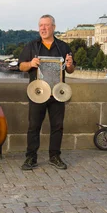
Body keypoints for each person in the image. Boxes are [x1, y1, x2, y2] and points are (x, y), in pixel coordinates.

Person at [19, 15, 75, 170]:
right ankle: (31, 158)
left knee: (57, 126)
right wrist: (30, 63)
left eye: (46, 25)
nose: (43, 28)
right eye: (41, 25)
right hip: (37, 93)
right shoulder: (32, 46)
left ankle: (55, 156)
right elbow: (21, 66)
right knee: (34, 126)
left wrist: (69, 64)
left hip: (58, 93)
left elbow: (70, 69)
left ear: (53, 27)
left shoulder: (63, 47)